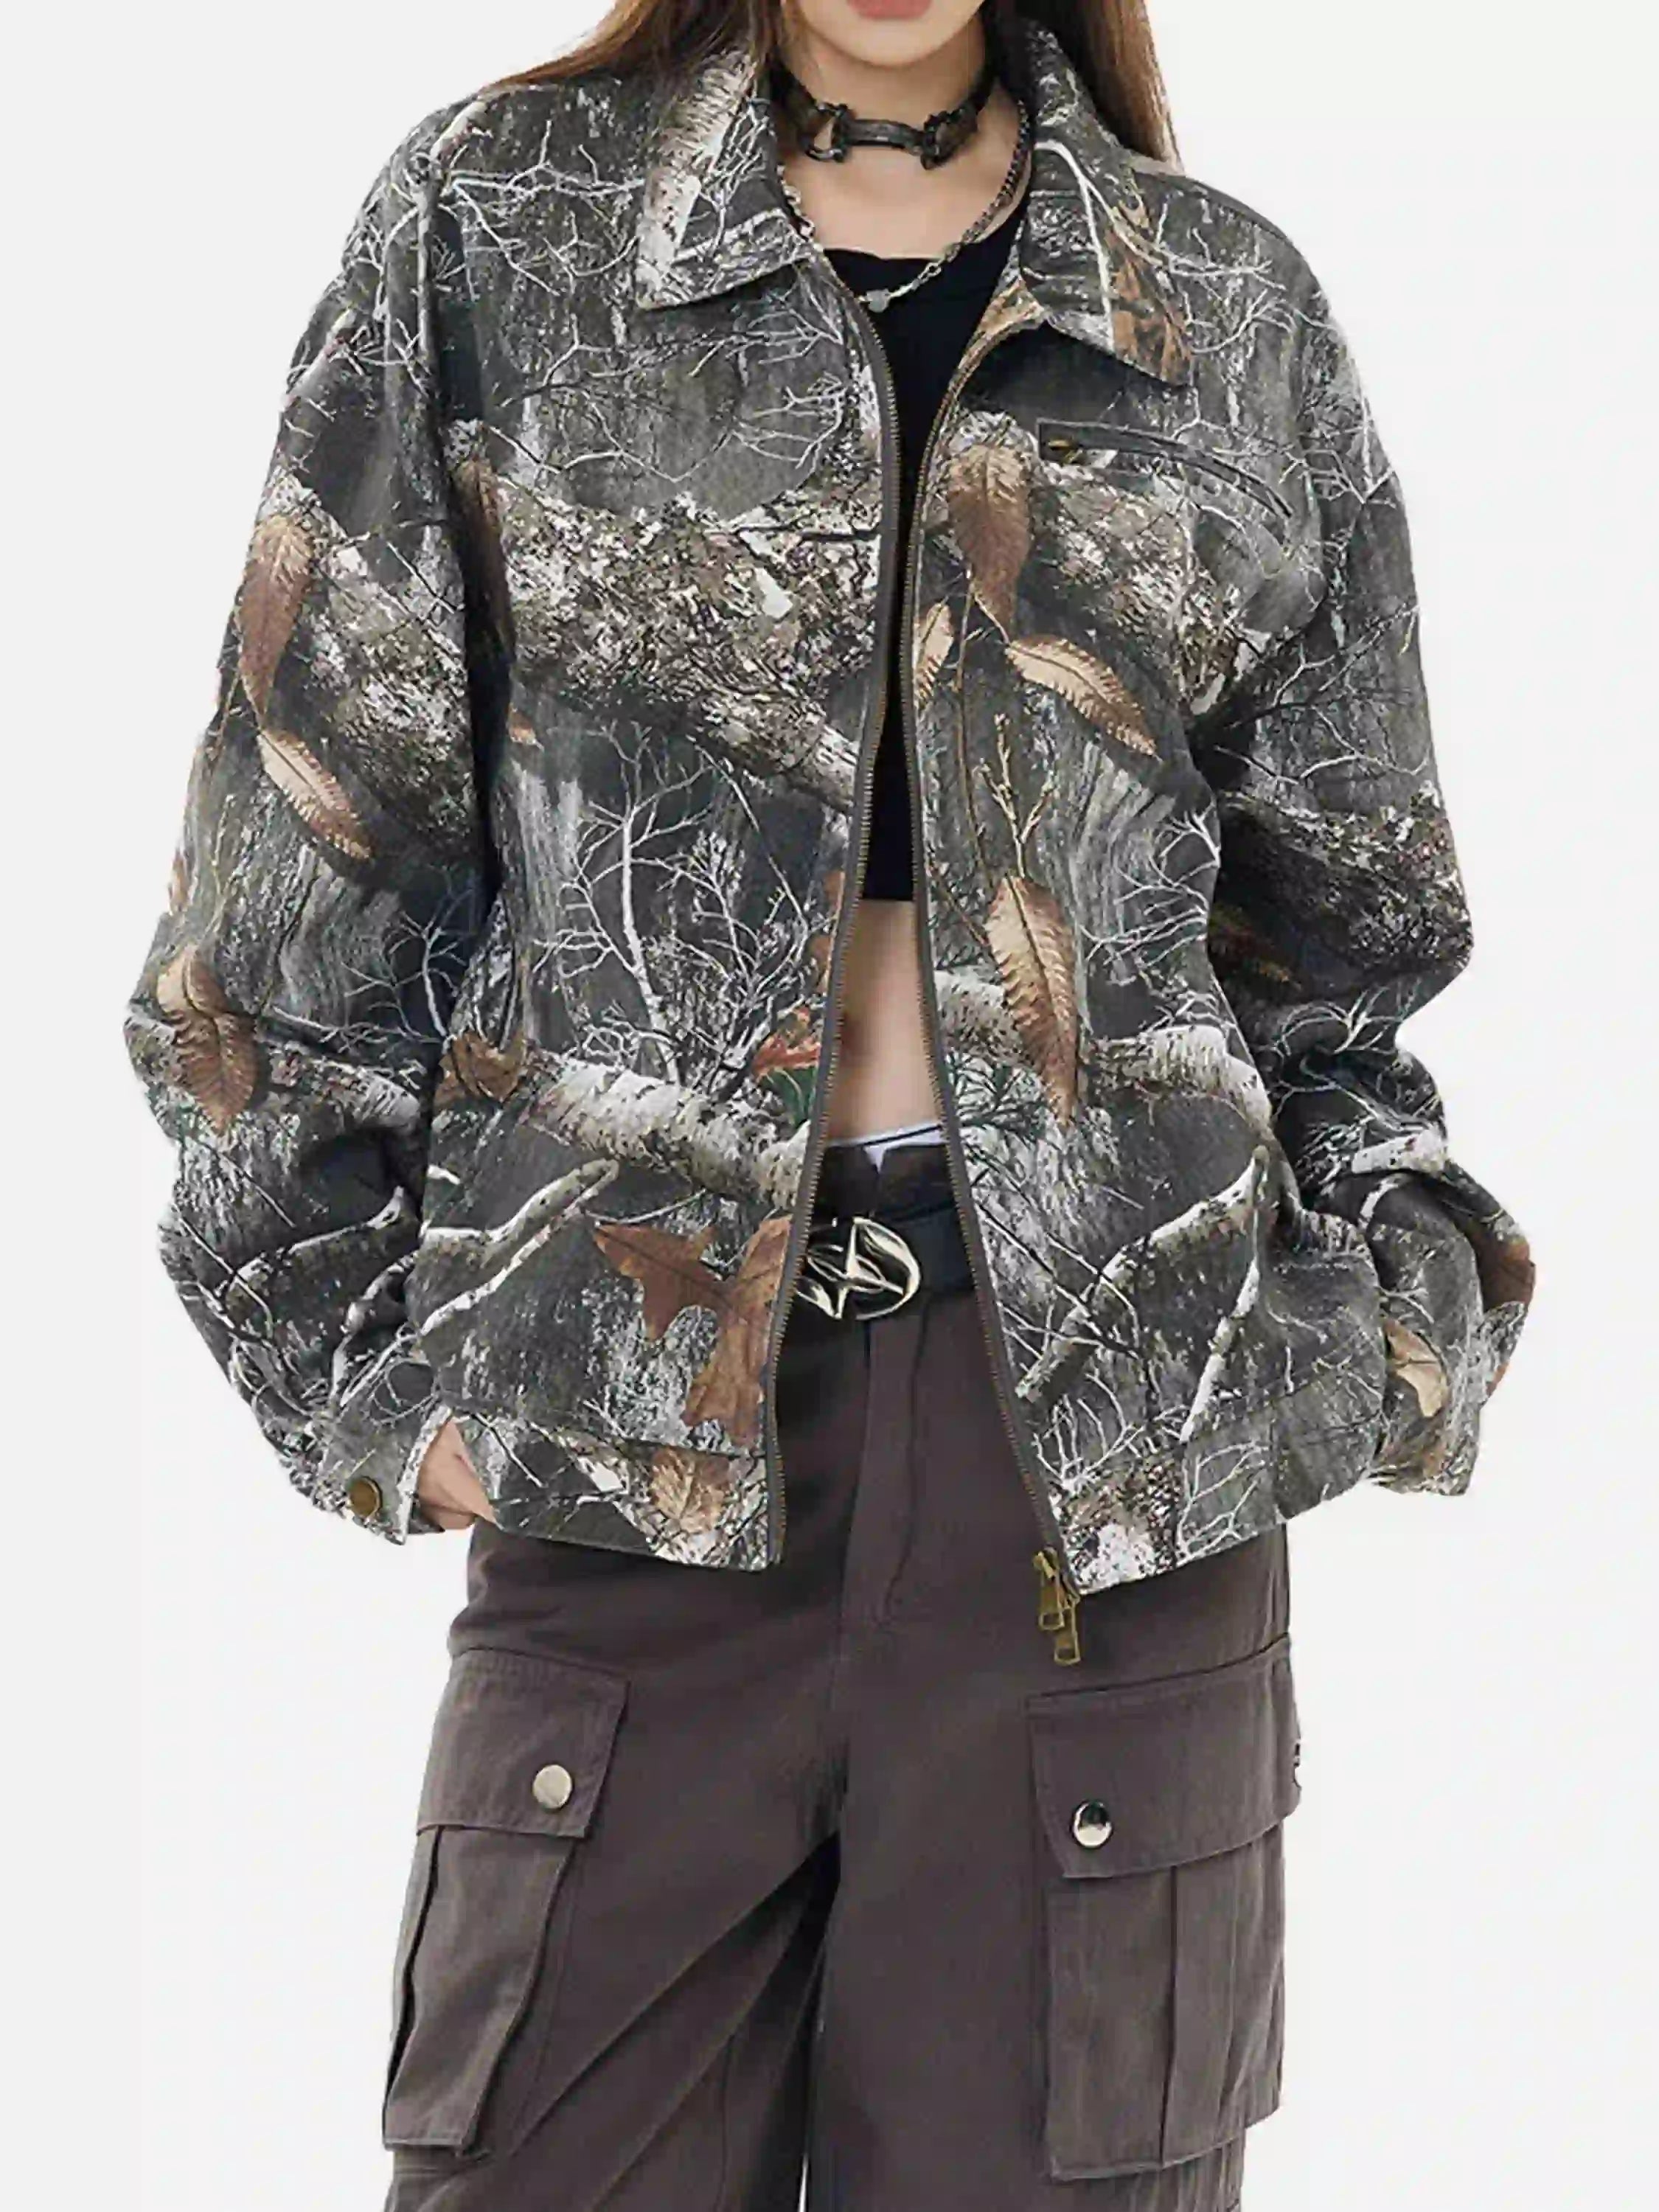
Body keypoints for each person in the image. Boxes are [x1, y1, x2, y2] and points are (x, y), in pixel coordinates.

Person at [122, 1, 1536, 2204]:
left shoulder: (1217, 305)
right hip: (630, 1430)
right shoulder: (505, 226)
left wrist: (1393, 1333)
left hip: (1102, 1477)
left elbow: (1344, 943)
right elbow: (306, 855)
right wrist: (359, 1372)